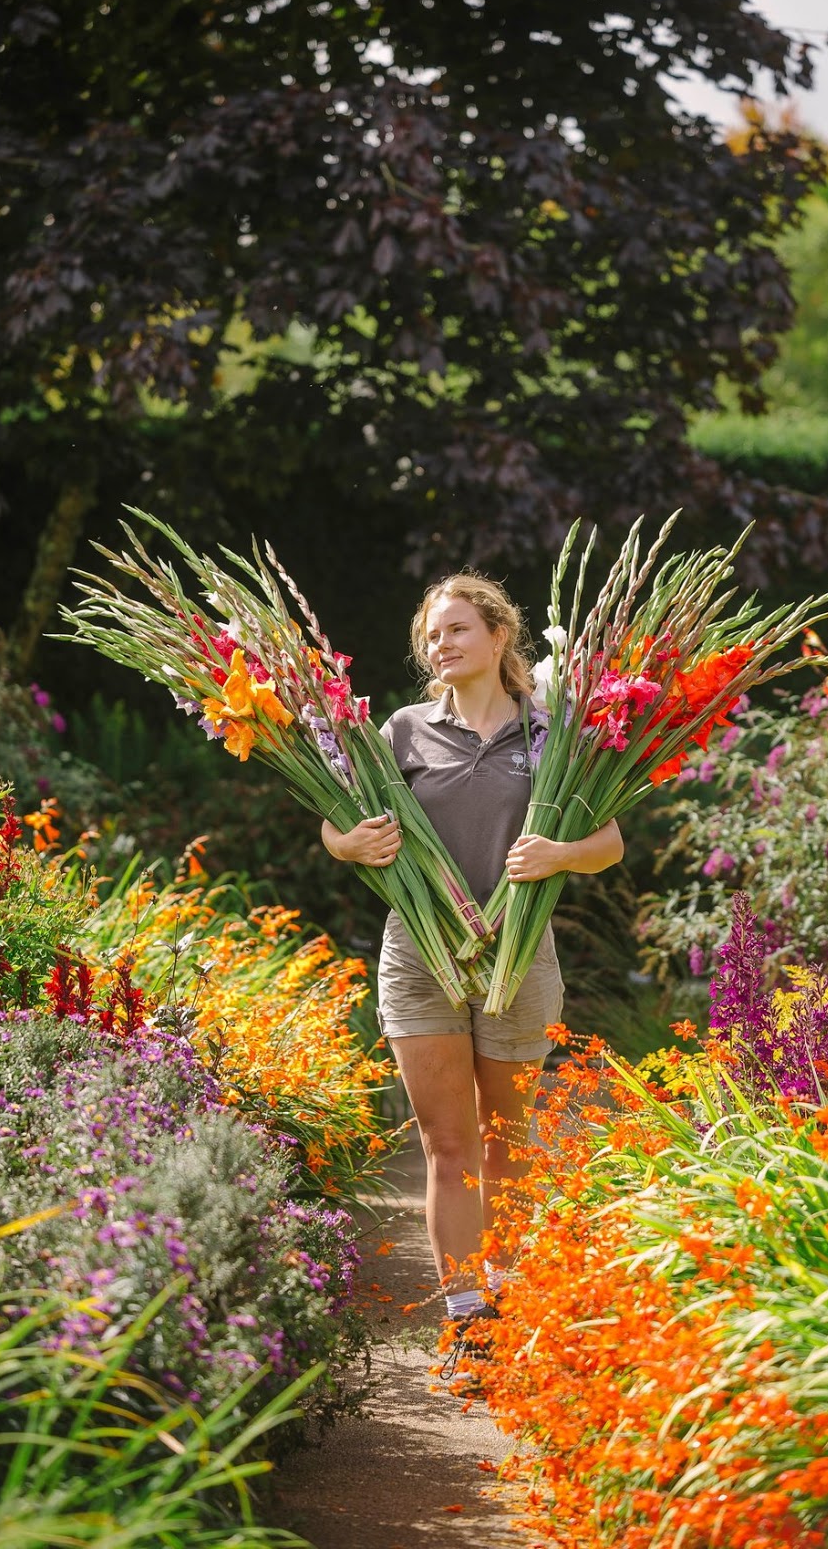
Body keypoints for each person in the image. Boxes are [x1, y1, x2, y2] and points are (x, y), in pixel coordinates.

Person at [321, 572, 623, 1354]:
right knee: (447, 1146)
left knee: (506, 1140)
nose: (440, 644)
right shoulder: (401, 730)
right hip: (419, 957)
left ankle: (511, 1294)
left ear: (498, 637)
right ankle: (467, 1317)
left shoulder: (550, 733)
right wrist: (349, 843)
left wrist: (560, 853)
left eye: (457, 629)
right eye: (431, 633)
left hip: (518, 957)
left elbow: (607, 844)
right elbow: (338, 823)